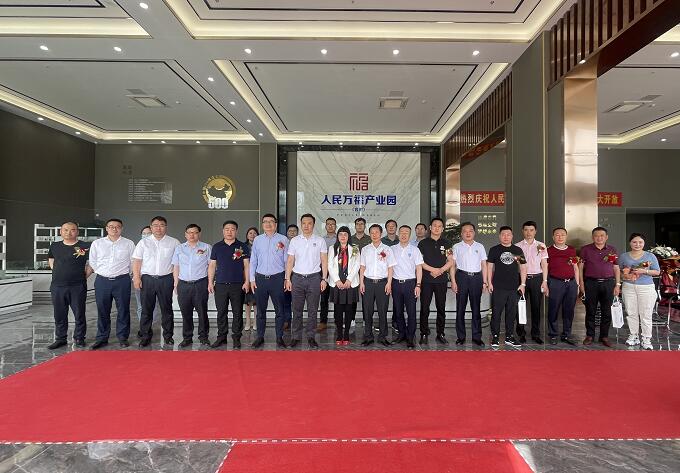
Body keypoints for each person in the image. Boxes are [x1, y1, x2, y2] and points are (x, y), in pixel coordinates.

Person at [132, 216, 179, 347]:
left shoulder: (174, 242)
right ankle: (145, 336)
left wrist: (176, 281)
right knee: (146, 310)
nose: (159, 228)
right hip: (147, 279)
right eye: (155, 225)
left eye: (162, 225)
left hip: (166, 279)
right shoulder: (143, 243)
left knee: (167, 309)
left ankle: (168, 336)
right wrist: (137, 278)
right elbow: (137, 261)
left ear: (166, 227)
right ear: (151, 227)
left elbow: (177, 263)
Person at [89, 218, 135, 350]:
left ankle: (122, 337)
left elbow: (133, 262)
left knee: (123, 310)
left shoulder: (129, 243)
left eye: (117, 227)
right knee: (102, 310)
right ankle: (102, 338)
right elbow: (93, 261)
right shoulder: (97, 243)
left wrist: (129, 274)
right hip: (102, 281)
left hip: (122, 281)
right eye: (111, 226)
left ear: (122, 228)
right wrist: (103, 272)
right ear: (106, 228)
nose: (114, 229)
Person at [285, 214, 328, 348]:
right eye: (304, 223)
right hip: (297, 278)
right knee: (296, 310)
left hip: (314, 278)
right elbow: (290, 260)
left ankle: (311, 337)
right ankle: (295, 337)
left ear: (313, 225)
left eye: (309, 223)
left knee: (313, 310)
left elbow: (324, 260)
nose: (306, 226)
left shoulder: (320, 240)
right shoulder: (294, 241)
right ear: (301, 224)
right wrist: (287, 278)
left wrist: (324, 279)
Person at [47, 222, 90, 349]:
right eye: (65, 230)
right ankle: (61, 338)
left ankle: (79, 338)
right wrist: (57, 271)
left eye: (72, 230)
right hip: (57, 286)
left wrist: (84, 276)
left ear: (77, 232)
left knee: (79, 313)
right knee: (59, 314)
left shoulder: (85, 246)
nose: (69, 232)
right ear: (61, 231)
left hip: (77, 286)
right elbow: (51, 259)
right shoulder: (55, 246)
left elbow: (92, 263)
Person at [208, 220, 250, 349]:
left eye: (232, 229)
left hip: (238, 285)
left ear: (236, 231)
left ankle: (236, 337)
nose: (229, 232)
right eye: (227, 229)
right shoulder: (217, 246)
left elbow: (246, 265)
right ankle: (221, 337)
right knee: (221, 312)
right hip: (220, 284)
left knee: (238, 312)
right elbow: (212, 265)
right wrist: (210, 282)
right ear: (223, 231)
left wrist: (247, 281)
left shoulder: (242, 246)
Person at [250, 214, 289, 348]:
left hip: (278, 278)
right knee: (260, 310)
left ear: (276, 224)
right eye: (265, 222)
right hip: (260, 278)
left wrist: (286, 278)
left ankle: (279, 337)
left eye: (271, 221)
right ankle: (260, 337)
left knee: (280, 310)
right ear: (262, 225)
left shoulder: (283, 239)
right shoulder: (257, 240)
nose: (268, 224)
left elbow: (287, 261)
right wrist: (252, 279)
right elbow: (253, 260)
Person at [578, 226, 621, 347]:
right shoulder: (585, 249)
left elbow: (616, 268)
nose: (599, 238)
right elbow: (580, 268)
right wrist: (581, 283)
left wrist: (617, 284)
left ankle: (604, 336)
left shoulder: (612, 249)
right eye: (596, 236)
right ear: (593, 237)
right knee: (590, 310)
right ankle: (589, 335)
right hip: (591, 283)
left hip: (608, 283)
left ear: (606, 237)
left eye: (602, 236)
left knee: (606, 311)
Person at [172, 224, 212, 348]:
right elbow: (176, 266)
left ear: (199, 234)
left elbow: (211, 266)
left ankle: (203, 337)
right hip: (183, 284)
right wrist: (176, 284)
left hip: (200, 283)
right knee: (186, 313)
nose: (192, 235)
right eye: (189, 232)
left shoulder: (206, 247)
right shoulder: (179, 248)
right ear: (185, 234)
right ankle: (187, 338)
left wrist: (210, 282)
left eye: (195, 232)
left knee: (202, 312)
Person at [487, 226, 527, 348]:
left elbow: (523, 267)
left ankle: (509, 336)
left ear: (512, 236)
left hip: (514, 287)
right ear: (499, 236)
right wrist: (489, 282)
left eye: (508, 234)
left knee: (511, 313)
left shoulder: (517, 250)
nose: (506, 237)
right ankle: (495, 337)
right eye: (503, 234)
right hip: (498, 287)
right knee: (496, 313)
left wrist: (523, 284)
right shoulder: (494, 250)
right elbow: (489, 267)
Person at [619, 233, 660, 350]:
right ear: (630, 243)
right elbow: (619, 272)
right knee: (631, 312)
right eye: (634, 242)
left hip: (646, 288)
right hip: (629, 287)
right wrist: (625, 275)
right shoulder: (624, 256)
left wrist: (644, 271)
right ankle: (634, 335)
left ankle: (646, 338)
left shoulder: (650, 256)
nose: (637, 244)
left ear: (644, 243)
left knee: (646, 314)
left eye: (640, 242)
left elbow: (657, 272)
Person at [359, 224, 397, 346]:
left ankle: (382, 336)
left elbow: (390, 267)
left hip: (382, 283)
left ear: (381, 233)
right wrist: (361, 283)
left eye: (376, 232)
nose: (374, 234)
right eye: (372, 232)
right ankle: (368, 336)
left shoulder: (387, 249)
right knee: (367, 311)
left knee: (382, 310)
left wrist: (389, 283)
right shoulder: (365, 249)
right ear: (369, 234)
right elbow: (362, 267)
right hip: (368, 283)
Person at [451, 222, 487, 346]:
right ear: (461, 234)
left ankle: (477, 337)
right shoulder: (456, 247)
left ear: (474, 233)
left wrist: (485, 281)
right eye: (465, 231)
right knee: (460, 308)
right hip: (461, 277)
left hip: (476, 278)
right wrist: (453, 281)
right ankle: (461, 337)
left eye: (470, 231)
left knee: (476, 308)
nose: (468, 233)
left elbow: (484, 265)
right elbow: (452, 265)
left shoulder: (480, 246)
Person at [418, 217, 453, 344]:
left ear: (442, 229)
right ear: (430, 228)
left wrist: (440, 270)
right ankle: (423, 333)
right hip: (426, 280)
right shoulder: (423, 243)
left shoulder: (447, 243)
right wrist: (433, 270)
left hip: (441, 281)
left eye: (439, 226)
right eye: (435, 225)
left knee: (441, 307)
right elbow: (420, 262)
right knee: (424, 308)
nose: (437, 228)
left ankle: (440, 333)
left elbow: (451, 261)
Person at [515, 221, 549, 344]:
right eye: (526, 230)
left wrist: (545, 281)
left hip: (537, 279)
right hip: (521, 279)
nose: (528, 233)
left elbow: (544, 264)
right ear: (522, 231)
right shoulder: (517, 246)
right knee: (521, 307)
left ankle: (535, 334)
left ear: (535, 231)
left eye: (531, 230)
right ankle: (521, 333)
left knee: (536, 307)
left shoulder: (541, 245)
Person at [546, 227, 580, 345]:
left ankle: (566, 334)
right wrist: (546, 284)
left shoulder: (571, 250)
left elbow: (575, 267)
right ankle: (553, 334)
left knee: (569, 310)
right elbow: (545, 268)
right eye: (557, 235)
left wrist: (577, 284)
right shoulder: (548, 250)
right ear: (553, 237)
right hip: (555, 282)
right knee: (553, 309)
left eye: (562, 235)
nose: (560, 237)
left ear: (566, 236)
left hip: (571, 283)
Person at [391, 225, 423, 349]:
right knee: (398, 311)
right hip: (396, 283)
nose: (404, 235)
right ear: (398, 234)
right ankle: (401, 334)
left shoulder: (415, 250)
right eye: (402, 232)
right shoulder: (392, 249)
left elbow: (419, 268)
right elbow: (389, 267)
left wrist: (418, 285)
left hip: (410, 284)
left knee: (411, 312)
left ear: (410, 235)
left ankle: (410, 337)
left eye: (406, 233)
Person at [327, 226, 360, 345]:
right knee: (338, 310)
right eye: (340, 234)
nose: (343, 236)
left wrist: (349, 280)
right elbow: (330, 265)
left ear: (348, 236)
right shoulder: (332, 248)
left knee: (349, 310)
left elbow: (357, 264)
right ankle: (339, 334)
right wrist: (337, 280)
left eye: (345, 234)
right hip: (337, 283)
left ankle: (346, 334)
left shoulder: (355, 248)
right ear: (337, 236)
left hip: (350, 283)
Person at [318, 217, 337, 332]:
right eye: (328, 224)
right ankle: (323, 321)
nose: (330, 226)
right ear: (325, 226)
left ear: (336, 226)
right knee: (324, 298)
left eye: (332, 224)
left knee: (337, 298)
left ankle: (337, 320)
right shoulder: (321, 240)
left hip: (336, 272)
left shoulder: (339, 239)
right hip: (324, 272)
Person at [134, 226, 153, 321]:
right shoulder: (138, 246)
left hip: (154, 280)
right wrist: (136, 278)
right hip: (140, 279)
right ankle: (143, 325)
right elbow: (134, 263)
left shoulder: (158, 247)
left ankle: (151, 324)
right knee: (141, 304)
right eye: (144, 234)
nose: (146, 235)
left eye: (148, 233)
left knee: (154, 305)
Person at [282, 224, 299, 328]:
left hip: (297, 275)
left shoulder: (300, 243)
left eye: (294, 231)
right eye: (290, 231)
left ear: (298, 233)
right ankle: (287, 320)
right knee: (286, 299)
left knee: (297, 300)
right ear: (287, 233)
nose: (292, 232)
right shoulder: (283, 244)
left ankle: (297, 322)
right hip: (285, 275)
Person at [243, 226, 259, 332]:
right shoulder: (242, 246)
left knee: (257, 300)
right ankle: (248, 321)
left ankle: (256, 321)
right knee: (247, 301)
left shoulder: (260, 245)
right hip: (246, 276)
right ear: (247, 235)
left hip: (258, 275)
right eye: (250, 233)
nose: (252, 235)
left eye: (254, 233)